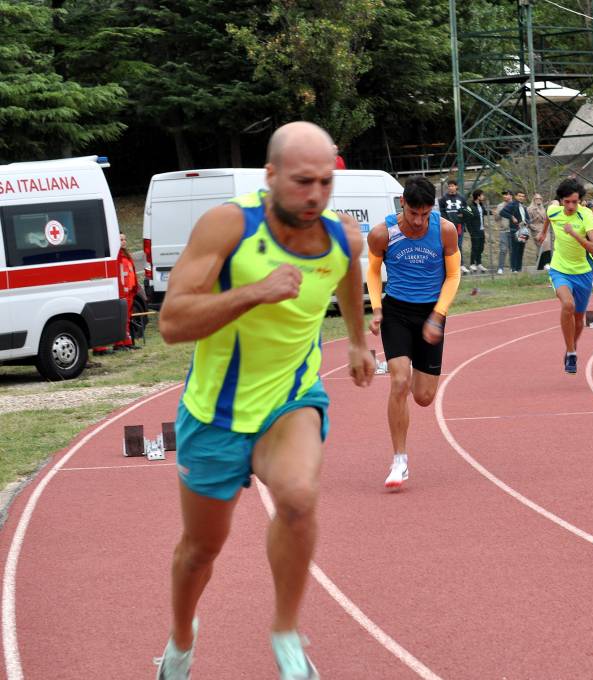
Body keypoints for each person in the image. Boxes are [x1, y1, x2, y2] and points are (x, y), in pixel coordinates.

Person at [155, 121, 375, 680]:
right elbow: (172, 322)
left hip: (290, 397)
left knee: (298, 497)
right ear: (270, 175)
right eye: (302, 182)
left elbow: (347, 276)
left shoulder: (341, 237)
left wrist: (356, 340)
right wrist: (256, 291)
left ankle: (286, 631)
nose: (315, 195)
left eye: (325, 182)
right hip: (215, 412)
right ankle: (181, 640)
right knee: (201, 550)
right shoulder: (228, 225)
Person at [366, 177, 461, 489]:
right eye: (413, 213)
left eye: (425, 214)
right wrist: (377, 308)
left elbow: (453, 275)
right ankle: (399, 461)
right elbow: (373, 271)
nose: (419, 221)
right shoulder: (382, 233)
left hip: (431, 312)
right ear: (402, 204)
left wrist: (438, 315)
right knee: (398, 381)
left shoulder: (445, 230)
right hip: (396, 312)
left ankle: (405, 393)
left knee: (423, 397)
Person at [536, 179, 593, 374]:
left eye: (575, 202)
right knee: (568, 304)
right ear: (561, 200)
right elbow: (549, 217)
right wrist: (543, 233)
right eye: (567, 202)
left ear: (580, 200)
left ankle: (571, 347)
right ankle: (572, 353)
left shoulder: (586, 215)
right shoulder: (554, 211)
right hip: (559, 269)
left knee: (579, 319)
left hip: (583, 272)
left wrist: (574, 234)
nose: (571, 206)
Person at [441, 180, 470, 273]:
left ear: (456, 187)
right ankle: (449, 266)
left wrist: (463, 215)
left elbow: (467, 209)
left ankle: (461, 265)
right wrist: (447, 222)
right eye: (449, 186)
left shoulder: (461, 198)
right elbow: (442, 212)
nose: (450, 188)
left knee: (459, 245)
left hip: (459, 225)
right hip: (448, 227)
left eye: (452, 186)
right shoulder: (443, 199)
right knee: (448, 246)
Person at [500, 190, 529, 273]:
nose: (521, 198)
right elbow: (502, 212)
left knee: (521, 249)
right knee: (515, 249)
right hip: (515, 230)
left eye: (523, 196)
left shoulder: (523, 206)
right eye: (519, 196)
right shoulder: (512, 204)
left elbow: (527, 217)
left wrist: (527, 222)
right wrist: (512, 217)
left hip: (523, 230)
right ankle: (513, 268)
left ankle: (519, 268)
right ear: (516, 196)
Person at [465, 189, 488, 272]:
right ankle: (472, 264)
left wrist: (492, 212)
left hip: (481, 230)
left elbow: (485, 212)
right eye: (482, 195)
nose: (483, 196)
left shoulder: (481, 205)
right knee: (475, 247)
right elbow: (467, 220)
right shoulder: (470, 206)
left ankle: (479, 263)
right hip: (474, 231)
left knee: (481, 247)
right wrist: (471, 231)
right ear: (478, 196)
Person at [493, 190, 512, 273]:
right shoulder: (500, 206)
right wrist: (496, 214)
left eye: (506, 194)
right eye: (504, 195)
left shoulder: (515, 205)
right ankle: (500, 268)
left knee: (512, 250)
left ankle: (513, 267)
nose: (505, 196)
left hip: (513, 231)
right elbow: (497, 219)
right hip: (503, 230)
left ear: (511, 196)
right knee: (503, 249)